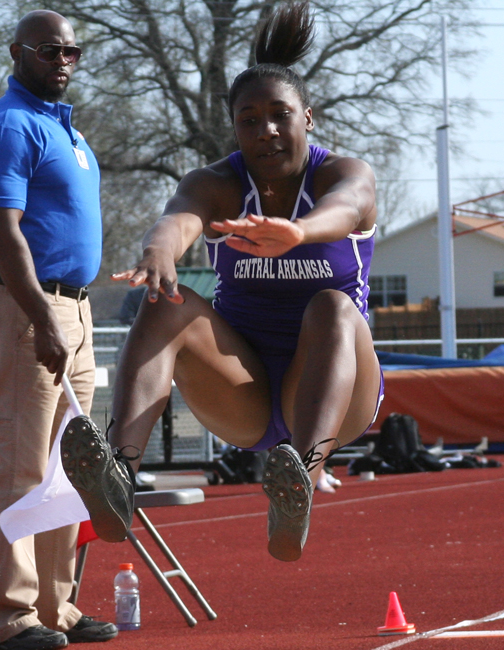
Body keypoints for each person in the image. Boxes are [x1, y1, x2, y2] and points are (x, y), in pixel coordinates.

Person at [60, 1, 383, 563]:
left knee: (331, 306)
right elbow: (178, 218)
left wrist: (298, 233)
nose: (267, 131)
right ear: (234, 127)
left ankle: (301, 481)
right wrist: (158, 251)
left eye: (281, 115)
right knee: (166, 302)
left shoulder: (343, 173)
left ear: (309, 116)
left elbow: (347, 208)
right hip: (245, 390)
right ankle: (118, 475)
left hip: (338, 391)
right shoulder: (218, 185)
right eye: (249, 120)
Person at [0, 10, 117, 650]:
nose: (63, 60)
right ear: (16, 52)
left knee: (69, 468)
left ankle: (56, 608)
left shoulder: (67, 132)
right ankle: (3, 619)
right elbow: (4, 231)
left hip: (74, 309)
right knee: (20, 468)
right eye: (50, 50)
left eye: (72, 51)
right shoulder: (7, 127)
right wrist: (41, 317)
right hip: (25, 310)